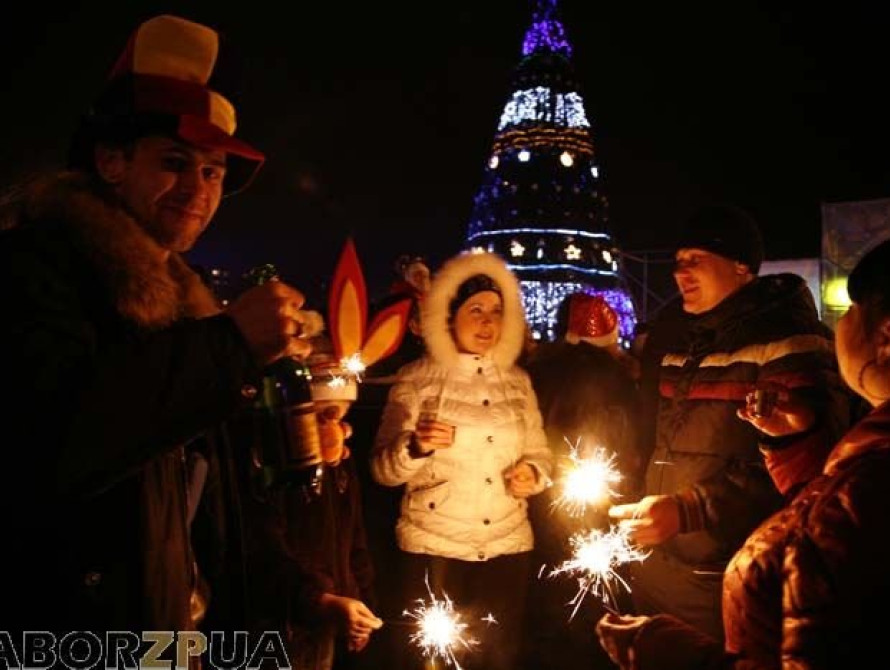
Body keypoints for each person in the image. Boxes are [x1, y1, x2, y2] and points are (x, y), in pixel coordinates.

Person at [0, 14, 311, 633]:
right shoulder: (33, 268)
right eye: (175, 161)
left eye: (214, 172)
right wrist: (229, 347)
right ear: (112, 161)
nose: (198, 188)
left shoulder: (186, 306)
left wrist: (302, 594)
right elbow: (55, 439)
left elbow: (209, 501)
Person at [596, 236, 890, 669]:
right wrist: (791, 445)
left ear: (885, 337)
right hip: (669, 564)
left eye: (852, 312)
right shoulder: (681, 337)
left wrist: (670, 654)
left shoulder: (868, 485)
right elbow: (816, 496)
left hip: (713, 572)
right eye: (676, 260)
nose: (680, 273)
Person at [370, 251, 553, 670]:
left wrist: (535, 473)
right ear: (448, 317)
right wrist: (414, 448)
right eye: (476, 310)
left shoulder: (519, 381)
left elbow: (541, 453)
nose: (488, 322)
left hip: (507, 552)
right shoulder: (417, 379)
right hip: (435, 554)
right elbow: (381, 470)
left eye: (496, 311)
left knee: (497, 657)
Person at [521, 292, 642, 670]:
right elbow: (630, 439)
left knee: (556, 593)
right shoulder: (618, 375)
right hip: (599, 498)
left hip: (550, 496)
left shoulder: (541, 370)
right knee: (595, 593)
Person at [282, 337, 383, 670]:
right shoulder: (279, 472)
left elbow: (356, 543)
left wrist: (363, 603)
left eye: (342, 417)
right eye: (324, 416)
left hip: (336, 621)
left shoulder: (342, 468)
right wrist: (317, 600)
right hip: (290, 628)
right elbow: (268, 552)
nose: (342, 431)